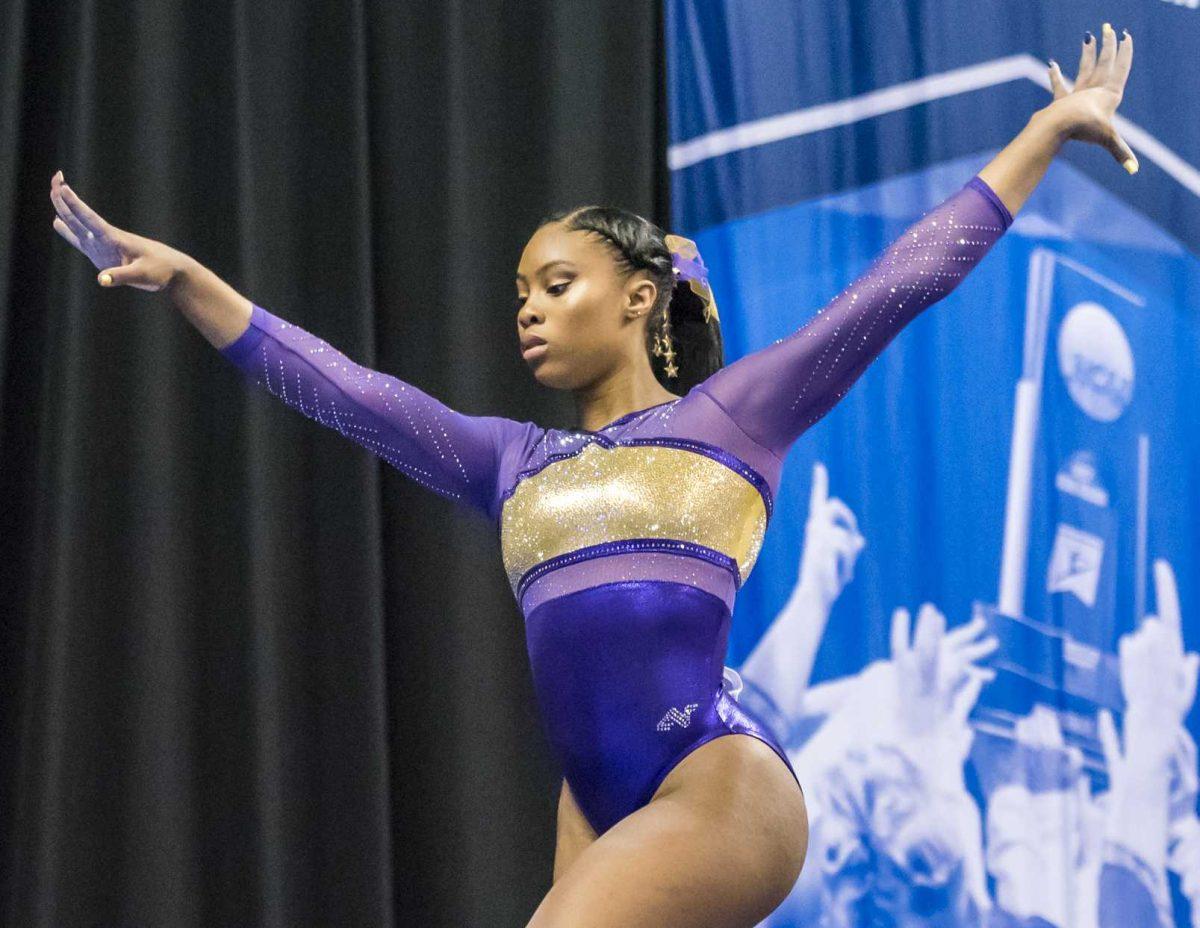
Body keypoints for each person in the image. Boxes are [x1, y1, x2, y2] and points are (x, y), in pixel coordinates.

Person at [48, 23, 1137, 927]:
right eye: (519, 287)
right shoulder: (510, 463)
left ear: (637, 298)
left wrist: (1044, 130)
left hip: (720, 776)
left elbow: (901, 281)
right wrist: (191, 281)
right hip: (595, 800)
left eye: (557, 281)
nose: (526, 304)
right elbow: (342, 388)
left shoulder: (734, 417)